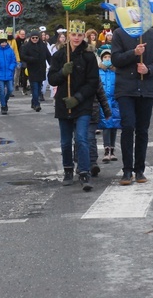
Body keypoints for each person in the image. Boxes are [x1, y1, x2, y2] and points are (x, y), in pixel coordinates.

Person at [47, 20, 110, 191]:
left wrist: (78, 97)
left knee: (81, 138)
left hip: (82, 104)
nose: (76, 38)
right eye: (73, 34)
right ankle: (68, 169)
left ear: (83, 36)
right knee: (66, 142)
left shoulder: (89, 56)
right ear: (68, 36)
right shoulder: (60, 56)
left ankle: (84, 171)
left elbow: (93, 82)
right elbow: (52, 78)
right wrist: (62, 72)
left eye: (79, 35)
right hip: (63, 103)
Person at [111, 24, 153, 186]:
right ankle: (127, 170)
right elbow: (116, 59)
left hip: (146, 89)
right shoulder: (119, 33)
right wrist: (133, 53)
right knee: (128, 126)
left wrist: (149, 69)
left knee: (142, 130)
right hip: (126, 89)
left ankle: (139, 169)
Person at [96, 45, 120, 163]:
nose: (107, 59)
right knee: (106, 124)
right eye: (105, 57)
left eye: (109, 57)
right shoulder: (98, 71)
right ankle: (106, 149)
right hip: (104, 102)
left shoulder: (116, 71)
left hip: (115, 101)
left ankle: (112, 149)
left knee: (114, 125)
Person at [21, 30, 51, 112]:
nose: (34, 39)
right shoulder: (27, 46)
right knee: (34, 87)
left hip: (41, 69)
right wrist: (31, 59)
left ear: (39, 38)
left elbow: (48, 56)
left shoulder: (43, 46)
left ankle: (33, 102)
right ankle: (37, 104)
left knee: (39, 87)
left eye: (36, 37)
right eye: (33, 38)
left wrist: (52, 65)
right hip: (32, 69)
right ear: (30, 38)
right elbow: (23, 56)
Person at [0, 31, 17, 115]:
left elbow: (13, 61)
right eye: (2, 42)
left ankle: (5, 101)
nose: (3, 44)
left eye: (4, 42)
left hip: (8, 73)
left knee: (10, 90)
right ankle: (3, 106)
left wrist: (11, 68)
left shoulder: (10, 50)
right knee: (1, 91)